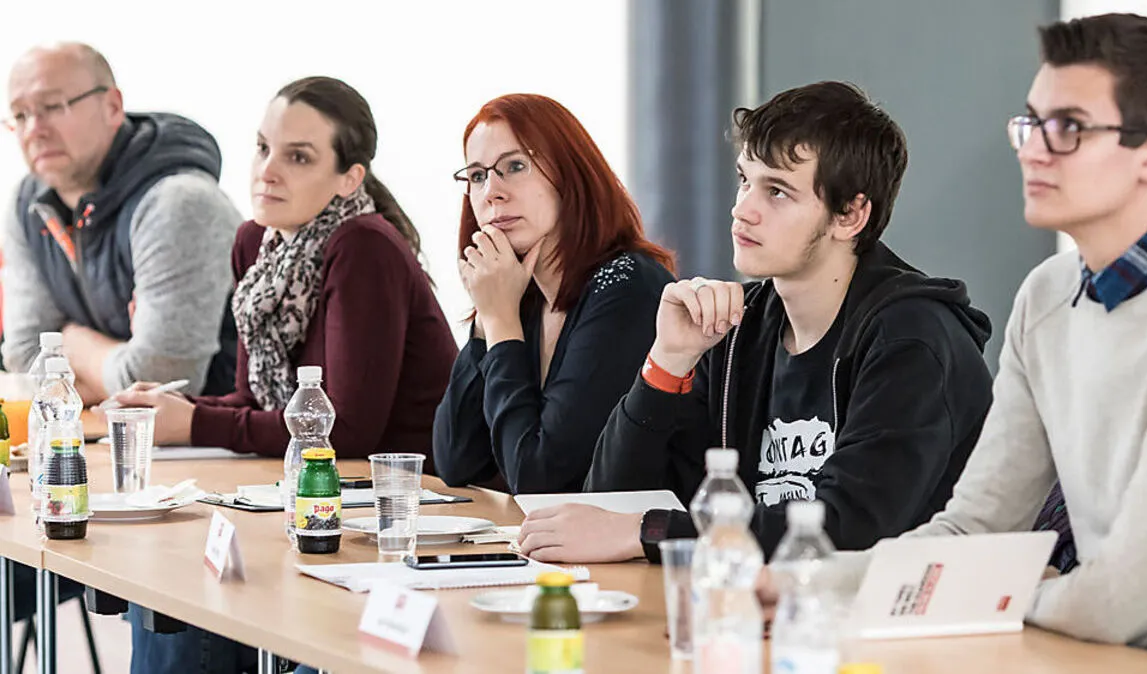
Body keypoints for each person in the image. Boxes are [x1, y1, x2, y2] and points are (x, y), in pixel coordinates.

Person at [518, 82, 994, 563]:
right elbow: (613, 504)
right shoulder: (739, 326)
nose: (742, 209)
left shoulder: (914, 337)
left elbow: (850, 528)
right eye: (745, 180)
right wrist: (669, 361)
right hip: (767, 611)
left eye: (778, 192)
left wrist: (650, 531)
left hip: (902, 626)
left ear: (850, 215)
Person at [865, 13, 1147, 647]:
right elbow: (975, 530)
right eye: (1031, 123)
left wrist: (1009, 590)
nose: (1033, 148)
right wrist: (803, 580)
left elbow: (1123, 600)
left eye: (1068, 127)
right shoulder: (1047, 295)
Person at [117, 77, 457, 463]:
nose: (267, 171)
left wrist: (194, 422)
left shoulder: (364, 246)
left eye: (298, 157)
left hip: (414, 497)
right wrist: (167, 406)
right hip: (327, 486)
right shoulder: (255, 242)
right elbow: (256, 401)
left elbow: (345, 430)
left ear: (351, 179)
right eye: (263, 148)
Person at [431, 93, 675, 494]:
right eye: (477, 176)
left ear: (570, 174)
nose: (492, 191)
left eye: (515, 166)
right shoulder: (520, 294)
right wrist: (486, 320)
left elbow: (540, 479)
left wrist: (500, 322)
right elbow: (456, 460)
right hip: (559, 549)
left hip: (643, 553)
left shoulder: (626, 287)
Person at [2, 42, 240, 402]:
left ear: (112, 107)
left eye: (53, 107)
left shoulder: (178, 204)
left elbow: (160, 386)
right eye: (20, 115)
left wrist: (73, 345)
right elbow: (24, 358)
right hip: (108, 438)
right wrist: (110, 371)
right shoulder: (28, 203)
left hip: (221, 448)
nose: (34, 129)